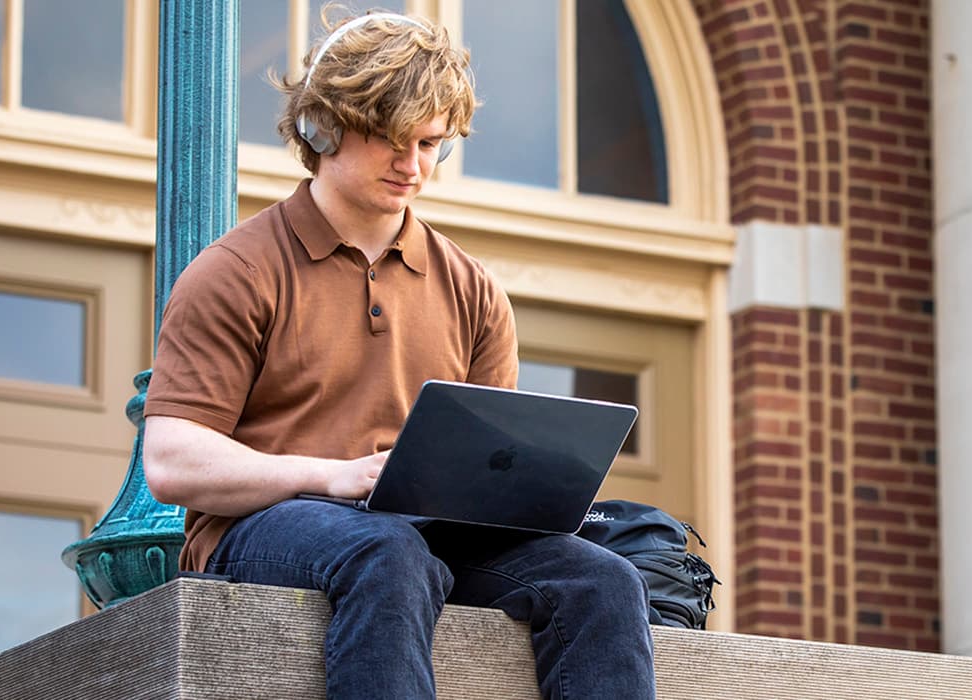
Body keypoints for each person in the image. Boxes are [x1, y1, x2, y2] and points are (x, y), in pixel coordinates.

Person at [140, 10, 657, 699]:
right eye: (390, 141)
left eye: (430, 144)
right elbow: (172, 461)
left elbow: (493, 476)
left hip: (423, 536)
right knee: (388, 552)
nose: (412, 166)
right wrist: (332, 476)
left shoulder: (472, 289)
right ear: (322, 128)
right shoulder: (235, 271)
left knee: (602, 578)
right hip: (262, 530)